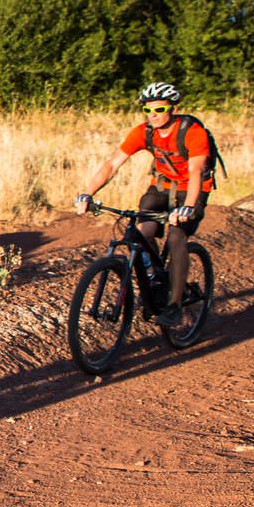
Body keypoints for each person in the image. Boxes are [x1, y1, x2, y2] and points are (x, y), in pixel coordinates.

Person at [74, 82, 212, 326]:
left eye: (159, 109)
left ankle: (174, 306)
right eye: (148, 111)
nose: (153, 116)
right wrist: (87, 193)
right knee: (141, 232)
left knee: (176, 237)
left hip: (192, 189)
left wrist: (188, 206)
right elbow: (113, 164)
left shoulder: (192, 131)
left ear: (173, 108)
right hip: (160, 187)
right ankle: (156, 277)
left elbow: (196, 170)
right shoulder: (144, 132)